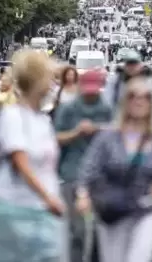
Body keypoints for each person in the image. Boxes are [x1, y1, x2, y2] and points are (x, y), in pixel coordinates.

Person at [0, 50, 65, 262]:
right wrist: (49, 199)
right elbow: (20, 162)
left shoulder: (43, 121)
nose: (52, 85)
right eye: (48, 78)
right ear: (36, 81)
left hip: (41, 213)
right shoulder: (12, 116)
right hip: (12, 211)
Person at [76, 78, 152, 262]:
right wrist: (83, 195)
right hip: (113, 209)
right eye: (133, 96)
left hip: (148, 209)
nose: (139, 101)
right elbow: (89, 168)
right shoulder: (108, 137)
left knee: (140, 256)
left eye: (145, 97)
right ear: (125, 102)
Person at [54, 69, 113, 262]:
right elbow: (56, 138)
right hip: (72, 173)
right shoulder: (69, 109)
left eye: (93, 91)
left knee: (100, 230)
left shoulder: (106, 109)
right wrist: (77, 132)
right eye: (86, 91)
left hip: (100, 177)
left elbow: (117, 135)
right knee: (78, 231)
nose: (90, 95)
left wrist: (97, 129)